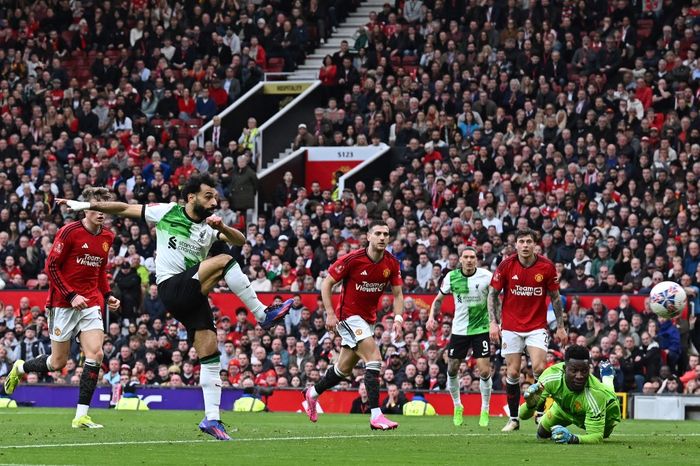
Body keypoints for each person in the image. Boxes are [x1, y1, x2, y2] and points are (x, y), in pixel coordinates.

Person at [55, 174, 293, 440]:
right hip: (171, 286)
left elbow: (241, 241)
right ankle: (263, 314)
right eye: (208, 196)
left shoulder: (210, 226)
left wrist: (223, 228)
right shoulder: (168, 212)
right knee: (225, 260)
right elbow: (123, 208)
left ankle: (212, 419)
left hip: (192, 294)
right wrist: (82, 205)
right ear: (191, 197)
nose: (214, 201)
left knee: (210, 352)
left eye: (215, 197)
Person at [4, 187, 121, 429]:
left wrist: (107, 294)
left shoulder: (107, 237)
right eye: (96, 206)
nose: (101, 212)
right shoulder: (69, 232)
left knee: (96, 354)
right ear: (85, 208)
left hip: (90, 302)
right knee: (58, 362)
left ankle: (81, 416)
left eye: (104, 207)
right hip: (62, 304)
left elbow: (100, 270)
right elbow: (52, 268)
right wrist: (70, 294)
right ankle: (21, 367)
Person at [303, 221, 404, 430]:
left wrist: (398, 319)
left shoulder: (392, 263)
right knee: (374, 359)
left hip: (368, 319)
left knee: (343, 369)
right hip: (348, 316)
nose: (383, 237)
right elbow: (327, 283)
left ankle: (311, 394)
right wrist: (330, 313)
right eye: (378, 233)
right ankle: (376, 415)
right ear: (368, 236)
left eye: (386, 234)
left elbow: (398, 294)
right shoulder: (352, 259)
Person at [488, 228, 567, 432]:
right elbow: (492, 294)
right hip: (511, 327)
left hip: (536, 326)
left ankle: (540, 413)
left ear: (535, 245)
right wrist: (493, 322)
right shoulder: (506, 265)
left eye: (528, 241)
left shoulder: (546, 267)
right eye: (521, 241)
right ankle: (514, 419)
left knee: (540, 369)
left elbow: (555, 297)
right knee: (513, 372)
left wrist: (560, 326)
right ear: (516, 245)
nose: (525, 245)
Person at [428, 247, 493, 427]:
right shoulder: (451, 277)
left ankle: (485, 409)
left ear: (477, 260)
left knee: (485, 371)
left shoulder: (486, 276)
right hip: (459, 330)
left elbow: (496, 298)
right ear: (460, 260)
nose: (470, 260)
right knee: (452, 369)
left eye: (473, 257)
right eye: (466, 257)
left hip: (481, 329)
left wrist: (496, 322)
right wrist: (431, 316)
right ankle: (457, 406)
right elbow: (439, 299)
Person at [518, 345, 621, 444]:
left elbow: (596, 437)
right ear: (564, 368)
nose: (579, 376)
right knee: (541, 434)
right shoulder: (550, 377)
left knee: (609, 395)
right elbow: (522, 416)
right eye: (574, 371)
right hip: (563, 410)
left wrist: (573, 439)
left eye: (584, 371)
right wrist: (530, 405)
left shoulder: (596, 393)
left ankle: (608, 377)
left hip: (606, 410)